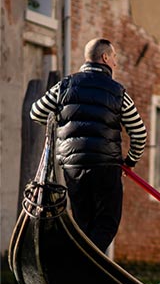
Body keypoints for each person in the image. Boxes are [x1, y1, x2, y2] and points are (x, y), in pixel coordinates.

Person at [30, 38, 147, 253]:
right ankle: (85, 262)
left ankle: (79, 262)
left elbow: (36, 112)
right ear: (104, 58)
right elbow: (139, 133)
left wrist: (61, 119)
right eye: (114, 58)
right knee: (107, 224)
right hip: (106, 165)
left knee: (82, 223)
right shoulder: (117, 92)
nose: (116, 63)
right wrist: (129, 161)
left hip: (72, 165)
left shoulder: (64, 85)